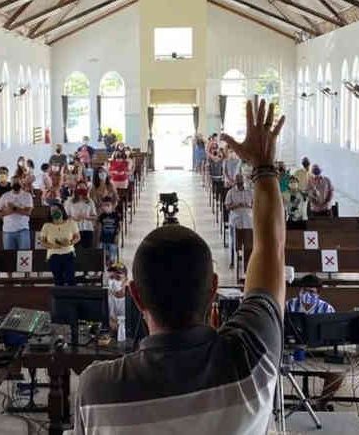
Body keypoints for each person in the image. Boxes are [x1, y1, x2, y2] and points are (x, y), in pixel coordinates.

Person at [74, 99, 286, 434]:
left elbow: (269, 249)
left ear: (136, 296)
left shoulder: (98, 388)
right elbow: (271, 249)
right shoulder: (250, 356)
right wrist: (264, 167)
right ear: (213, 288)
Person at [286, 275, 343, 409]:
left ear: (318, 293)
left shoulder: (327, 309)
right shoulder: (289, 306)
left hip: (317, 356)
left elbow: (333, 336)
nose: (307, 294)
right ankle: (276, 408)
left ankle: (320, 405)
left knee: (337, 375)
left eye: (311, 292)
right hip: (292, 355)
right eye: (304, 291)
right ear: (299, 291)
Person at [40, 204, 80, 286]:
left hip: (68, 254)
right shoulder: (46, 226)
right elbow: (42, 242)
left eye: (57, 209)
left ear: (62, 210)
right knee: (58, 280)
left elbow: (77, 237)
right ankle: (60, 298)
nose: (55, 212)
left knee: (70, 278)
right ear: (50, 213)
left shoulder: (71, 223)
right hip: (53, 255)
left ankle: (73, 297)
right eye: (52, 211)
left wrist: (70, 242)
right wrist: (53, 246)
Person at [0, 176, 34, 249]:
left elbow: (28, 213)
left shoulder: (27, 195)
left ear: (21, 184)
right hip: (8, 231)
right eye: (14, 182)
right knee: (9, 257)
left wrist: (13, 208)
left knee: (24, 256)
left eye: (18, 182)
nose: (16, 184)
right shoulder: (5, 196)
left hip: (23, 230)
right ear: (11, 184)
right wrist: (11, 211)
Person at [224, 174, 253, 265]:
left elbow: (255, 204)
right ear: (235, 182)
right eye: (238, 181)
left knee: (248, 242)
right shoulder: (231, 192)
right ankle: (233, 260)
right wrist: (236, 205)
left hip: (248, 221)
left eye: (241, 181)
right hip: (236, 221)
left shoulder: (250, 192)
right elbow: (227, 206)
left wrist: (249, 205)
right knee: (235, 242)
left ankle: (248, 261)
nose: (240, 183)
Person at [65, 181, 97, 248]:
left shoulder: (90, 201)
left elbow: (94, 216)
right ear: (76, 189)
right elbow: (65, 215)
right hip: (73, 229)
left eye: (83, 188)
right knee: (73, 249)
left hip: (87, 229)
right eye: (80, 187)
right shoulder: (69, 201)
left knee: (87, 251)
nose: (81, 189)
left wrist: (86, 217)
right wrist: (74, 218)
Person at [97, 197, 121, 265]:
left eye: (108, 205)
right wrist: (99, 238)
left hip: (113, 239)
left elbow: (119, 227)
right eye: (104, 205)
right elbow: (99, 227)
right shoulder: (102, 216)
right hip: (103, 238)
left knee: (112, 254)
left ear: (112, 206)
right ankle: (101, 267)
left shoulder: (116, 215)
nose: (105, 207)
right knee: (100, 253)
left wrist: (117, 236)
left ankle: (111, 265)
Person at [106, 262, 127, 331]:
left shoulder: (132, 299)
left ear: (125, 280)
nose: (113, 281)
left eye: (118, 278)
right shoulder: (105, 298)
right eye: (111, 278)